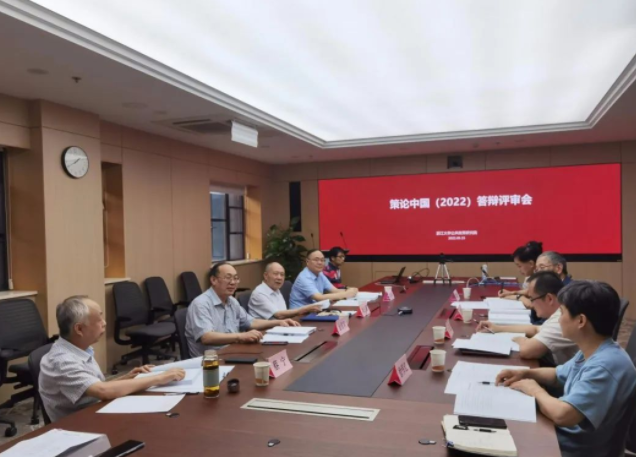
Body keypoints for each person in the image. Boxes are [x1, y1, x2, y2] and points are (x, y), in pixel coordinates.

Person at [496, 281, 636, 457]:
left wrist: (534, 390)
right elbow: (557, 374)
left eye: (562, 313)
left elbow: (563, 415)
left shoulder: (605, 366)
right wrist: (525, 373)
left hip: (572, 449)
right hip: (561, 437)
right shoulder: (594, 348)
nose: (558, 319)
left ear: (581, 321)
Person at [39, 296, 185, 422]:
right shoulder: (61, 361)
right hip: (78, 425)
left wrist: (128, 378)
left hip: (98, 410)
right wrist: (160, 378)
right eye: (99, 319)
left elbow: (94, 388)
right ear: (79, 329)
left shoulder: (80, 349)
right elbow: (102, 391)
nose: (104, 323)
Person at [186, 262, 300, 356]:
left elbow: (251, 322)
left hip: (233, 352)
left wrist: (279, 322)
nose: (233, 282)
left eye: (235, 278)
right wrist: (240, 336)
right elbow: (206, 337)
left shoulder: (232, 301)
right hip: (211, 361)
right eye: (228, 278)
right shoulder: (201, 304)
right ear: (213, 280)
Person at [477, 271, 577, 365]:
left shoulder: (562, 319)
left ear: (549, 299)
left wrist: (521, 340)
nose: (531, 303)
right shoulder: (560, 311)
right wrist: (498, 328)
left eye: (532, 298)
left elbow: (527, 351)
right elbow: (535, 329)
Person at [248, 261, 323, 319]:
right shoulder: (259, 293)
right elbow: (279, 315)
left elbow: (284, 313)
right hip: (263, 331)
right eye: (276, 274)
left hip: (280, 326)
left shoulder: (276, 289)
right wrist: (305, 309)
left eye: (282, 275)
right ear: (266, 275)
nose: (279, 277)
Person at [289, 249, 359, 309]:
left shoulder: (320, 274)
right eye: (316, 260)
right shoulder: (304, 277)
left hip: (314, 310)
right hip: (299, 315)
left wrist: (350, 290)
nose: (320, 263)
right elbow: (319, 297)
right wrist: (346, 294)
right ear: (307, 262)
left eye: (322, 260)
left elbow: (334, 290)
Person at [499, 241, 544, 324]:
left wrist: (518, 297)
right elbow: (529, 292)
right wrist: (512, 293)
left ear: (531, 263)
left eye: (519, 266)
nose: (518, 270)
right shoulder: (531, 277)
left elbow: (532, 304)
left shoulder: (544, 279)